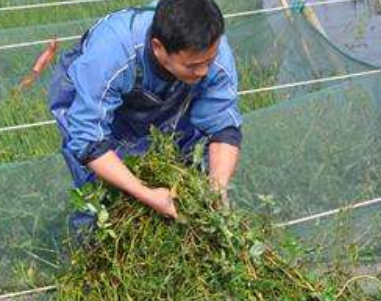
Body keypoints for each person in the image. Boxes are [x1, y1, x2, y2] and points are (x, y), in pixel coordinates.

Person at [49, 0, 242, 223]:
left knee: (187, 173)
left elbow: (223, 126)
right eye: (192, 65)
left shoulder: (210, 49)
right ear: (158, 48)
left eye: (209, 60)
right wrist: (145, 193)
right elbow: (89, 141)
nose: (204, 71)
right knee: (104, 197)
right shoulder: (111, 54)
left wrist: (217, 189)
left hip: (166, 89)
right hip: (98, 96)